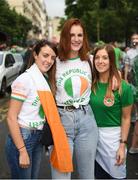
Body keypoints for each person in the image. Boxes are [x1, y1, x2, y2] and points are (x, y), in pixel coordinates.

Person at [5, 39, 72, 179]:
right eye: (45, 55)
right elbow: (11, 117)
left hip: (37, 137)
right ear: (35, 55)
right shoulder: (25, 79)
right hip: (24, 137)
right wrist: (22, 151)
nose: (49, 61)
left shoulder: (43, 79)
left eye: (53, 58)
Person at [50, 18, 98, 179]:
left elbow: (110, 72)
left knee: (87, 176)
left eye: (80, 35)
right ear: (65, 37)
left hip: (86, 120)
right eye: (72, 35)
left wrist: (116, 77)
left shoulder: (90, 61)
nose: (76, 39)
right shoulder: (54, 62)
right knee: (61, 175)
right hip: (62, 121)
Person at [89, 44, 133, 179]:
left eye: (105, 58)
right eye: (97, 57)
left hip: (113, 141)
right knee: (98, 176)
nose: (100, 61)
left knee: (117, 175)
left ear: (111, 61)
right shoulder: (89, 84)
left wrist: (122, 145)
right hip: (92, 140)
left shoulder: (123, 87)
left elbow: (126, 118)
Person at [124, 32, 138, 154]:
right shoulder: (129, 53)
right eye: (133, 39)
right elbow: (127, 68)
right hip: (133, 82)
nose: (135, 40)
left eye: (136, 39)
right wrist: (125, 80)